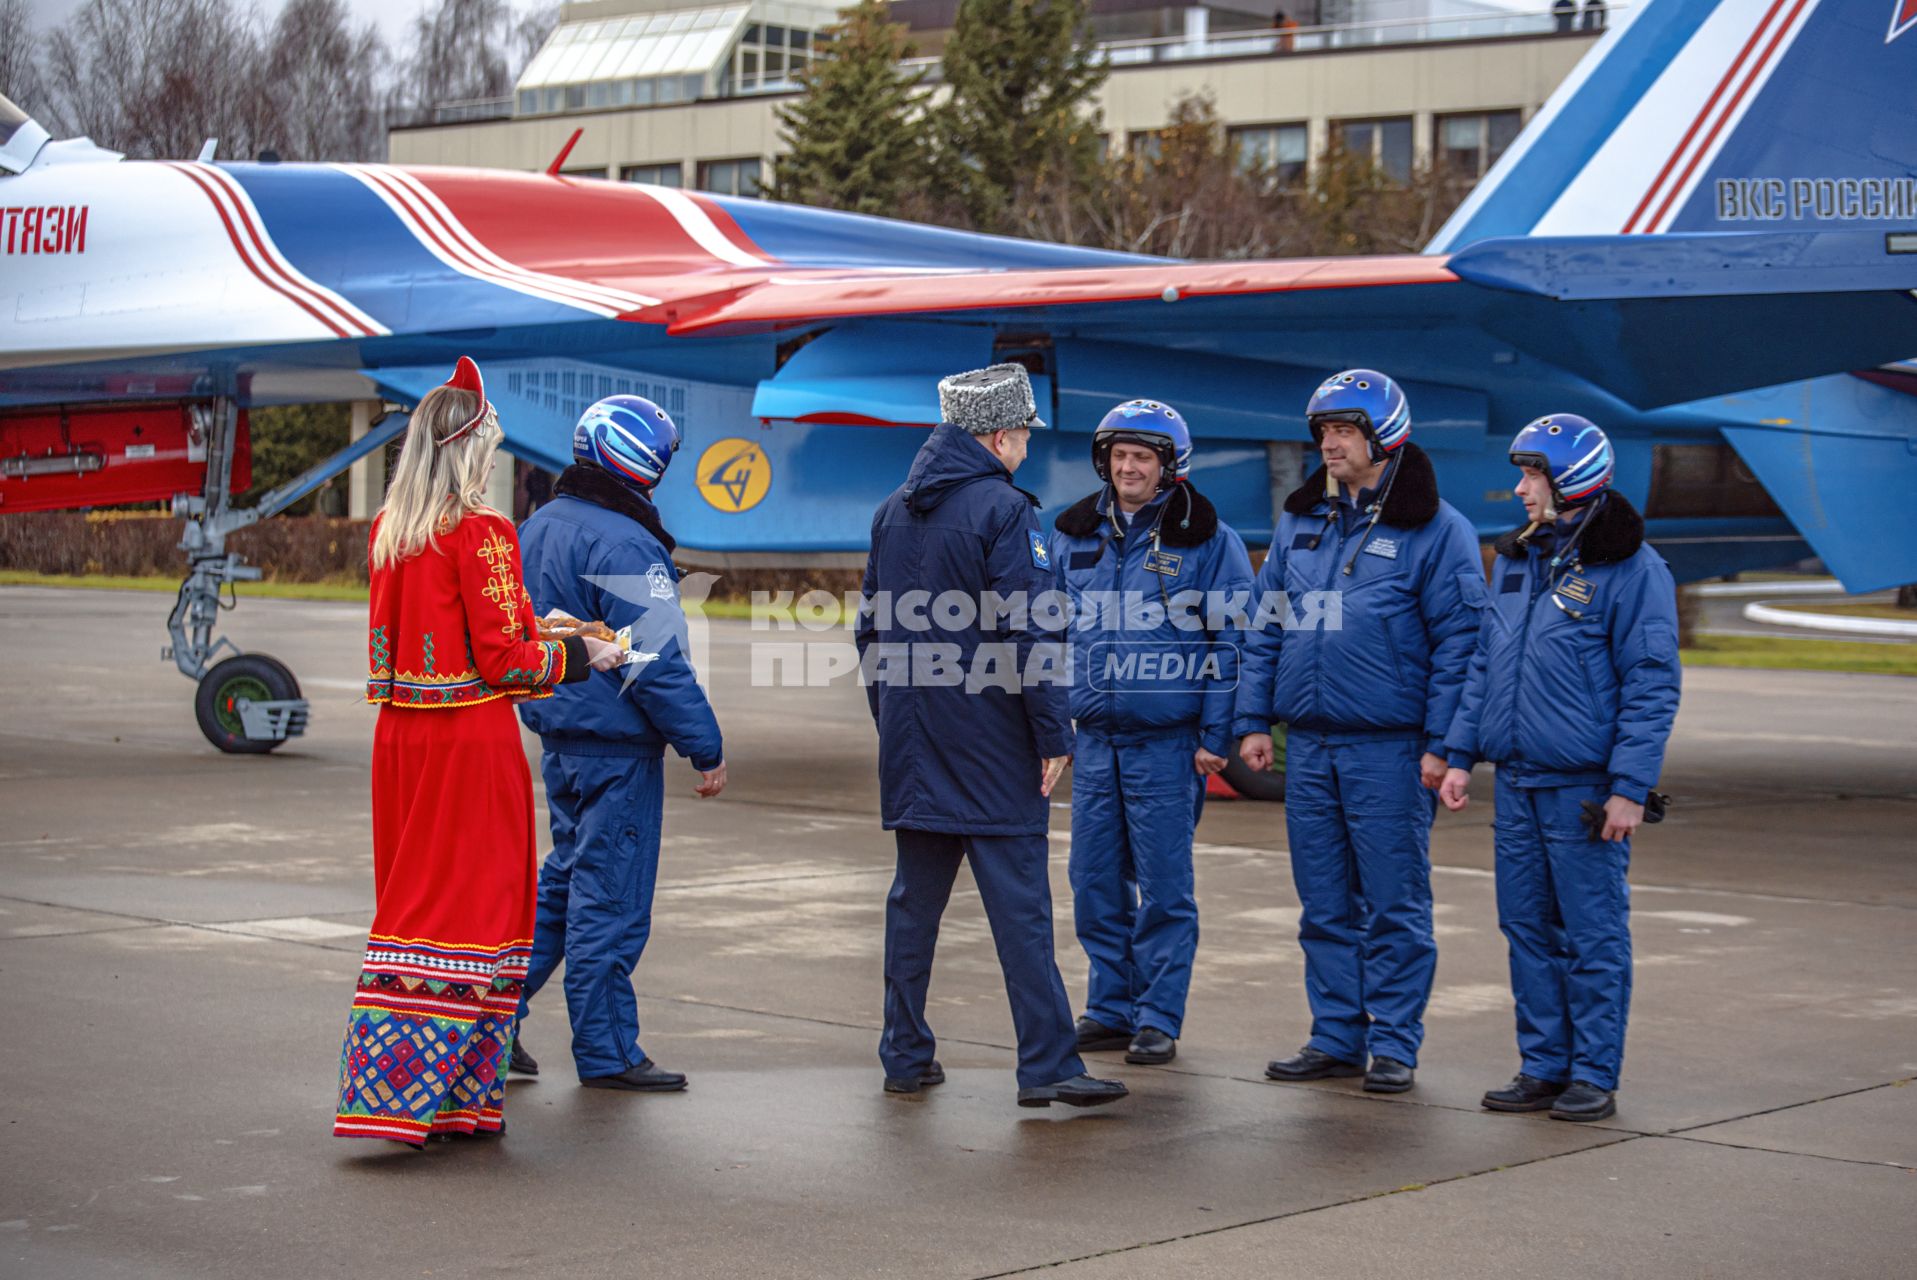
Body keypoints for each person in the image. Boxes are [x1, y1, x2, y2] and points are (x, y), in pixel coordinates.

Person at [334, 358, 622, 1146]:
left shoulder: (393, 533)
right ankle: (442, 1099)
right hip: (468, 742)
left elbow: (449, 642)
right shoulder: (483, 529)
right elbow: (506, 664)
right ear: (470, 450)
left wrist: (550, 631)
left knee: (414, 902)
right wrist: (581, 655)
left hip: (402, 737)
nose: (494, 458)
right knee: (483, 907)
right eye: (489, 444)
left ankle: (416, 1094)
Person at [856, 363, 1127, 1109]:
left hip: (914, 741)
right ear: (999, 435)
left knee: (914, 905)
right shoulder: (1004, 511)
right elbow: (1030, 627)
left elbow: (870, 632)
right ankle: (1047, 1065)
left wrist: (895, 722)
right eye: (1022, 437)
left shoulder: (890, 511)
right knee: (1020, 910)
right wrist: (1051, 735)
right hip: (991, 743)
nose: (1024, 450)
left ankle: (903, 1053)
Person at [1234, 369, 1484, 1094]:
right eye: (1321, 431)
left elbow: (1461, 650)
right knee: (1323, 903)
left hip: (1391, 750)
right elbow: (1264, 628)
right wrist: (1253, 721)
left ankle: (1395, 1044)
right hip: (1308, 747)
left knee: (1393, 904)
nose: (1328, 443)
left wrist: (1445, 746)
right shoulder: (1299, 524)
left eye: (1342, 430)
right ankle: (1336, 1035)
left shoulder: (1438, 531)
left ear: (1383, 438)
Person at [1440, 415, 1679, 1123]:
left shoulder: (1632, 569)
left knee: (1591, 933)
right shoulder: (1516, 560)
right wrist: (1459, 754)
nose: (1518, 489)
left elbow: (1650, 682)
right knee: (1525, 928)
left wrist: (1629, 788)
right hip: (1515, 780)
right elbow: (1486, 664)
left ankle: (1592, 1074)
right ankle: (1542, 1065)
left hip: (1582, 789)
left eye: (1530, 476)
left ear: (1568, 479)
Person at [512, 395, 727, 1092]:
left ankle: (489, 1023)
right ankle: (606, 1053)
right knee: (609, 900)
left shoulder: (537, 526)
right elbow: (653, 660)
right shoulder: (625, 542)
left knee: (561, 889)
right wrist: (704, 744)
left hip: (559, 739)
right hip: (615, 749)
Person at [1049, 400, 1252, 1066]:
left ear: (1168, 466)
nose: (1127, 468)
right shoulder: (1074, 535)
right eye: (1118, 456)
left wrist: (1215, 736)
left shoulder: (1207, 540)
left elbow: (1231, 642)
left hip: (1168, 744)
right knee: (1094, 880)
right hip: (1096, 743)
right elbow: (1046, 636)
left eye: (1142, 457)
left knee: (1164, 886)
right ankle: (1110, 1007)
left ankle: (1158, 1016)